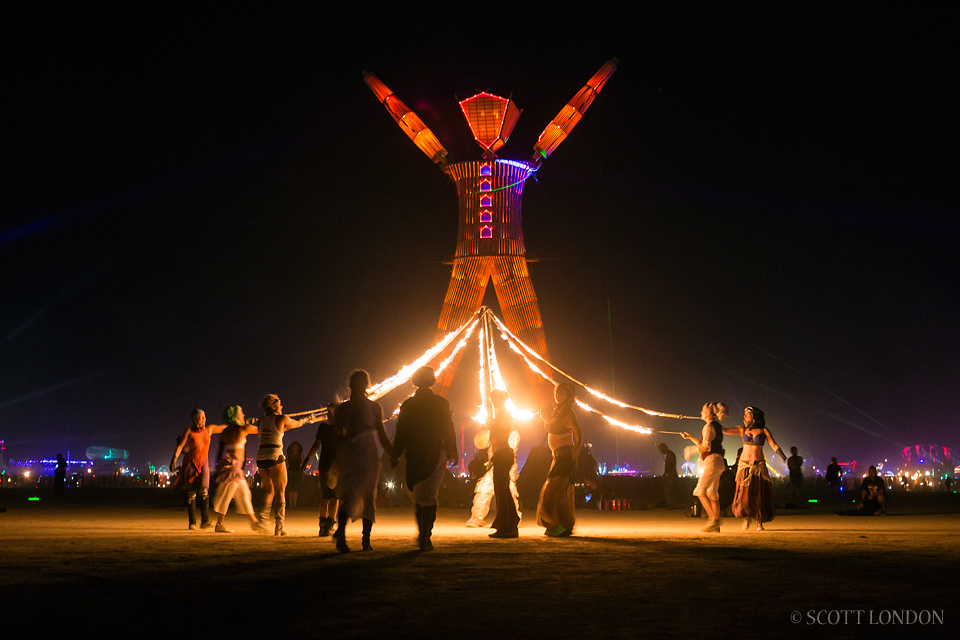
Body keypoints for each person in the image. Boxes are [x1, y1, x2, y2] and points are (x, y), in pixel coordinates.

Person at [393, 366, 458, 551]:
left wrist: (396, 453)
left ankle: (423, 535)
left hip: (415, 453)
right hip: (435, 452)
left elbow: (401, 432)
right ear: (432, 381)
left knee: (419, 494)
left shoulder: (408, 405)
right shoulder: (440, 403)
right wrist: (453, 449)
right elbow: (449, 428)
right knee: (429, 495)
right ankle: (425, 536)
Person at [333, 370, 393, 553]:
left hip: (350, 452)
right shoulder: (374, 408)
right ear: (367, 385)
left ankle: (342, 535)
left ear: (349, 385)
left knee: (350, 495)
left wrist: (336, 456)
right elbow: (382, 435)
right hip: (366, 452)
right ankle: (364, 541)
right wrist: (393, 453)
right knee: (367, 496)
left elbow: (337, 435)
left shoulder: (342, 409)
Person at [255, 394, 318, 536]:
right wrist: (308, 419)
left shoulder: (261, 421)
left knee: (269, 490)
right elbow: (297, 424)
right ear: (273, 406)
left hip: (261, 458)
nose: (282, 407)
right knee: (281, 491)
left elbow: (279, 430)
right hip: (275, 455)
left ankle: (262, 519)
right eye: (280, 404)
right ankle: (279, 526)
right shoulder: (281, 418)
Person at [723, 406, 787, 531]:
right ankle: (746, 518)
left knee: (759, 494)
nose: (744, 416)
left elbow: (773, 444)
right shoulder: (742, 429)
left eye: (747, 414)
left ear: (754, 416)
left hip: (759, 465)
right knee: (744, 494)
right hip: (744, 465)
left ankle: (759, 522)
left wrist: (782, 456)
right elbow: (724, 430)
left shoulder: (763, 430)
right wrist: (713, 421)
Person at [536, 382, 583, 537]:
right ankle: (560, 526)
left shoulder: (569, 413)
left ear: (568, 395)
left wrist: (576, 451)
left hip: (565, 456)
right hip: (557, 456)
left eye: (562, 393)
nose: (558, 395)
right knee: (557, 492)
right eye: (556, 392)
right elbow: (553, 428)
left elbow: (578, 434)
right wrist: (544, 419)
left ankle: (560, 525)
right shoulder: (557, 411)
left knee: (553, 491)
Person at [171, 409, 229, 530]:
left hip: (204, 463)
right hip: (190, 464)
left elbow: (224, 427)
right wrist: (174, 459)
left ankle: (205, 521)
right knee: (191, 493)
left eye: (204, 417)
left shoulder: (209, 429)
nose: (204, 419)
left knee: (204, 491)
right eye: (201, 417)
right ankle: (192, 522)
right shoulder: (189, 431)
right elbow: (181, 446)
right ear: (195, 419)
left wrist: (239, 423)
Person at [211, 405, 259, 533]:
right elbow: (262, 430)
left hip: (231, 465)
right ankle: (219, 524)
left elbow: (220, 451)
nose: (243, 414)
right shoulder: (242, 429)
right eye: (241, 412)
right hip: (234, 467)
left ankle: (254, 522)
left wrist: (217, 466)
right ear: (235, 416)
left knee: (244, 494)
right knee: (227, 494)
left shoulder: (226, 431)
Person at [682, 402, 727, 532]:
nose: (700, 413)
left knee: (700, 491)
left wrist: (691, 450)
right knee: (712, 493)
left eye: (702, 410)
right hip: (718, 462)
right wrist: (690, 437)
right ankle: (715, 524)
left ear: (708, 413)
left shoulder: (707, 427)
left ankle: (714, 520)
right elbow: (706, 444)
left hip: (711, 462)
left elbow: (705, 447)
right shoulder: (716, 426)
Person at [303, 402, 341, 537]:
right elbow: (316, 444)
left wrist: (307, 459)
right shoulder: (339, 427)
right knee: (333, 496)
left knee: (328, 496)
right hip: (335, 464)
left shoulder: (325, 427)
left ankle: (324, 525)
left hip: (328, 463)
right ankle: (328, 524)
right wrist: (306, 460)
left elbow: (316, 444)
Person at [486, 389, 520, 538]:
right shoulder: (500, 414)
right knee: (503, 490)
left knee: (501, 491)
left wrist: (491, 424)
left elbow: (503, 431)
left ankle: (507, 527)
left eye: (494, 399)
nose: (493, 402)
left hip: (503, 454)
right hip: (500, 454)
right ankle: (509, 525)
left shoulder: (504, 414)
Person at [658, 443, 679, 508]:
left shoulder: (670, 455)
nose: (661, 452)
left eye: (661, 450)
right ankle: (670, 504)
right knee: (668, 490)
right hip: (670, 474)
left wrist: (667, 474)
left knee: (668, 490)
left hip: (671, 474)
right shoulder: (669, 454)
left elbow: (671, 466)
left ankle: (671, 504)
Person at [285, 441, 304, 509]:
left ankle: (294, 504)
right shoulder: (288, 456)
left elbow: (303, 464)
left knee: (295, 489)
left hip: (297, 472)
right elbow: (286, 464)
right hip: (290, 472)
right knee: (290, 489)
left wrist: (303, 473)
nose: (295, 448)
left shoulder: (300, 456)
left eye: (296, 447)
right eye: (294, 447)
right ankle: (291, 504)